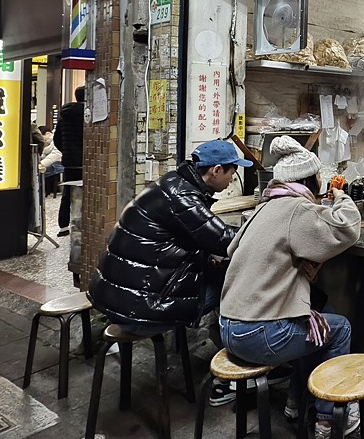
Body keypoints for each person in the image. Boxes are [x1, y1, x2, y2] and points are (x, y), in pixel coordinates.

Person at [219, 136, 362, 439]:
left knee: (309, 322)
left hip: (228, 327)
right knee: (337, 329)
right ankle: (329, 419)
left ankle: (296, 403)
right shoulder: (298, 209)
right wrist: (340, 196)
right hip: (258, 335)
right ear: (310, 180)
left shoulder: (264, 207)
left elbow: (234, 250)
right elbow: (347, 229)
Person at [89, 140, 250, 339]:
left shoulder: (173, 182)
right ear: (216, 170)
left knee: (216, 270)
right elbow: (225, 239)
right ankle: (228, 344)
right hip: (141, 307)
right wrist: (261, 228)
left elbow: (185, 239)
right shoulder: (182, 198)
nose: (231, 180)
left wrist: (207, 258)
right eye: (232, 174)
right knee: (233, 282)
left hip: (117, 296)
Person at [53, 86, 85, 236]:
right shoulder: (86, 115)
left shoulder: (64, 116)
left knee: (67, 192)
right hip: (85, 161)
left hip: (69, 161)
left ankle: (63, 226)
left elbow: (57, 139)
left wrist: (67, 152)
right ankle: (83, 223)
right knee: (87, 192)